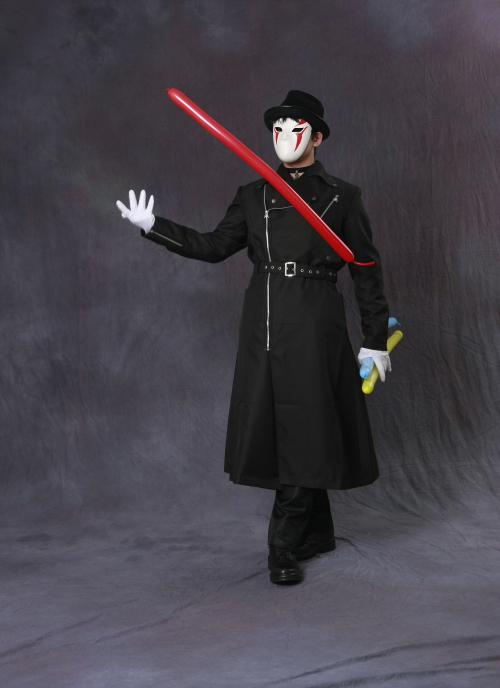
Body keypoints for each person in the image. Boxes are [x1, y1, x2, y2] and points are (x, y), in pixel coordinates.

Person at [117, 90, 391, 585]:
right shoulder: (253, 194)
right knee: (285, 425)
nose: (284, 136)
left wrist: (375, 339)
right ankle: (317, 533)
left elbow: (366, 269)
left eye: (296, 128)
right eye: (277, 128)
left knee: (307, 422)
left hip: (315, 320)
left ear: (317, 137)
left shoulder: (343, 196)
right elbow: (213, 247)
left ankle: (281, 546)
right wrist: (153, 226)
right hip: (262, 320)